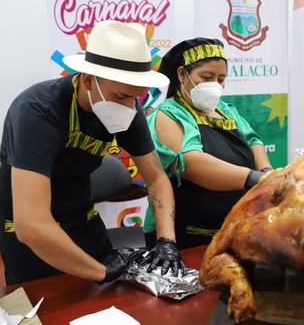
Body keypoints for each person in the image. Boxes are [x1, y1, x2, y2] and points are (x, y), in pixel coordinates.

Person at [0, 20, 185, 285]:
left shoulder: (128, 109)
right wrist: (101, 273)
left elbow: (156, 179)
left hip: (85, 225)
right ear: (87, 79)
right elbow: (32, 225)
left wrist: (166, 240)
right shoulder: (38, 111)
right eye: (121, 96)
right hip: (34, 242)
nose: (130, 107)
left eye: (137, 98)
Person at [143, 38, 272, 249]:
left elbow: (253, 140)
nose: (216, 85)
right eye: (207, 77)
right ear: (182, 74)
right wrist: (253, 178)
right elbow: (190, 163)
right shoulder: (168, 115)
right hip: (184, 235)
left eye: (221, 79)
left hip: (231, 228)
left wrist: (267, 171)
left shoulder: (226, 109)